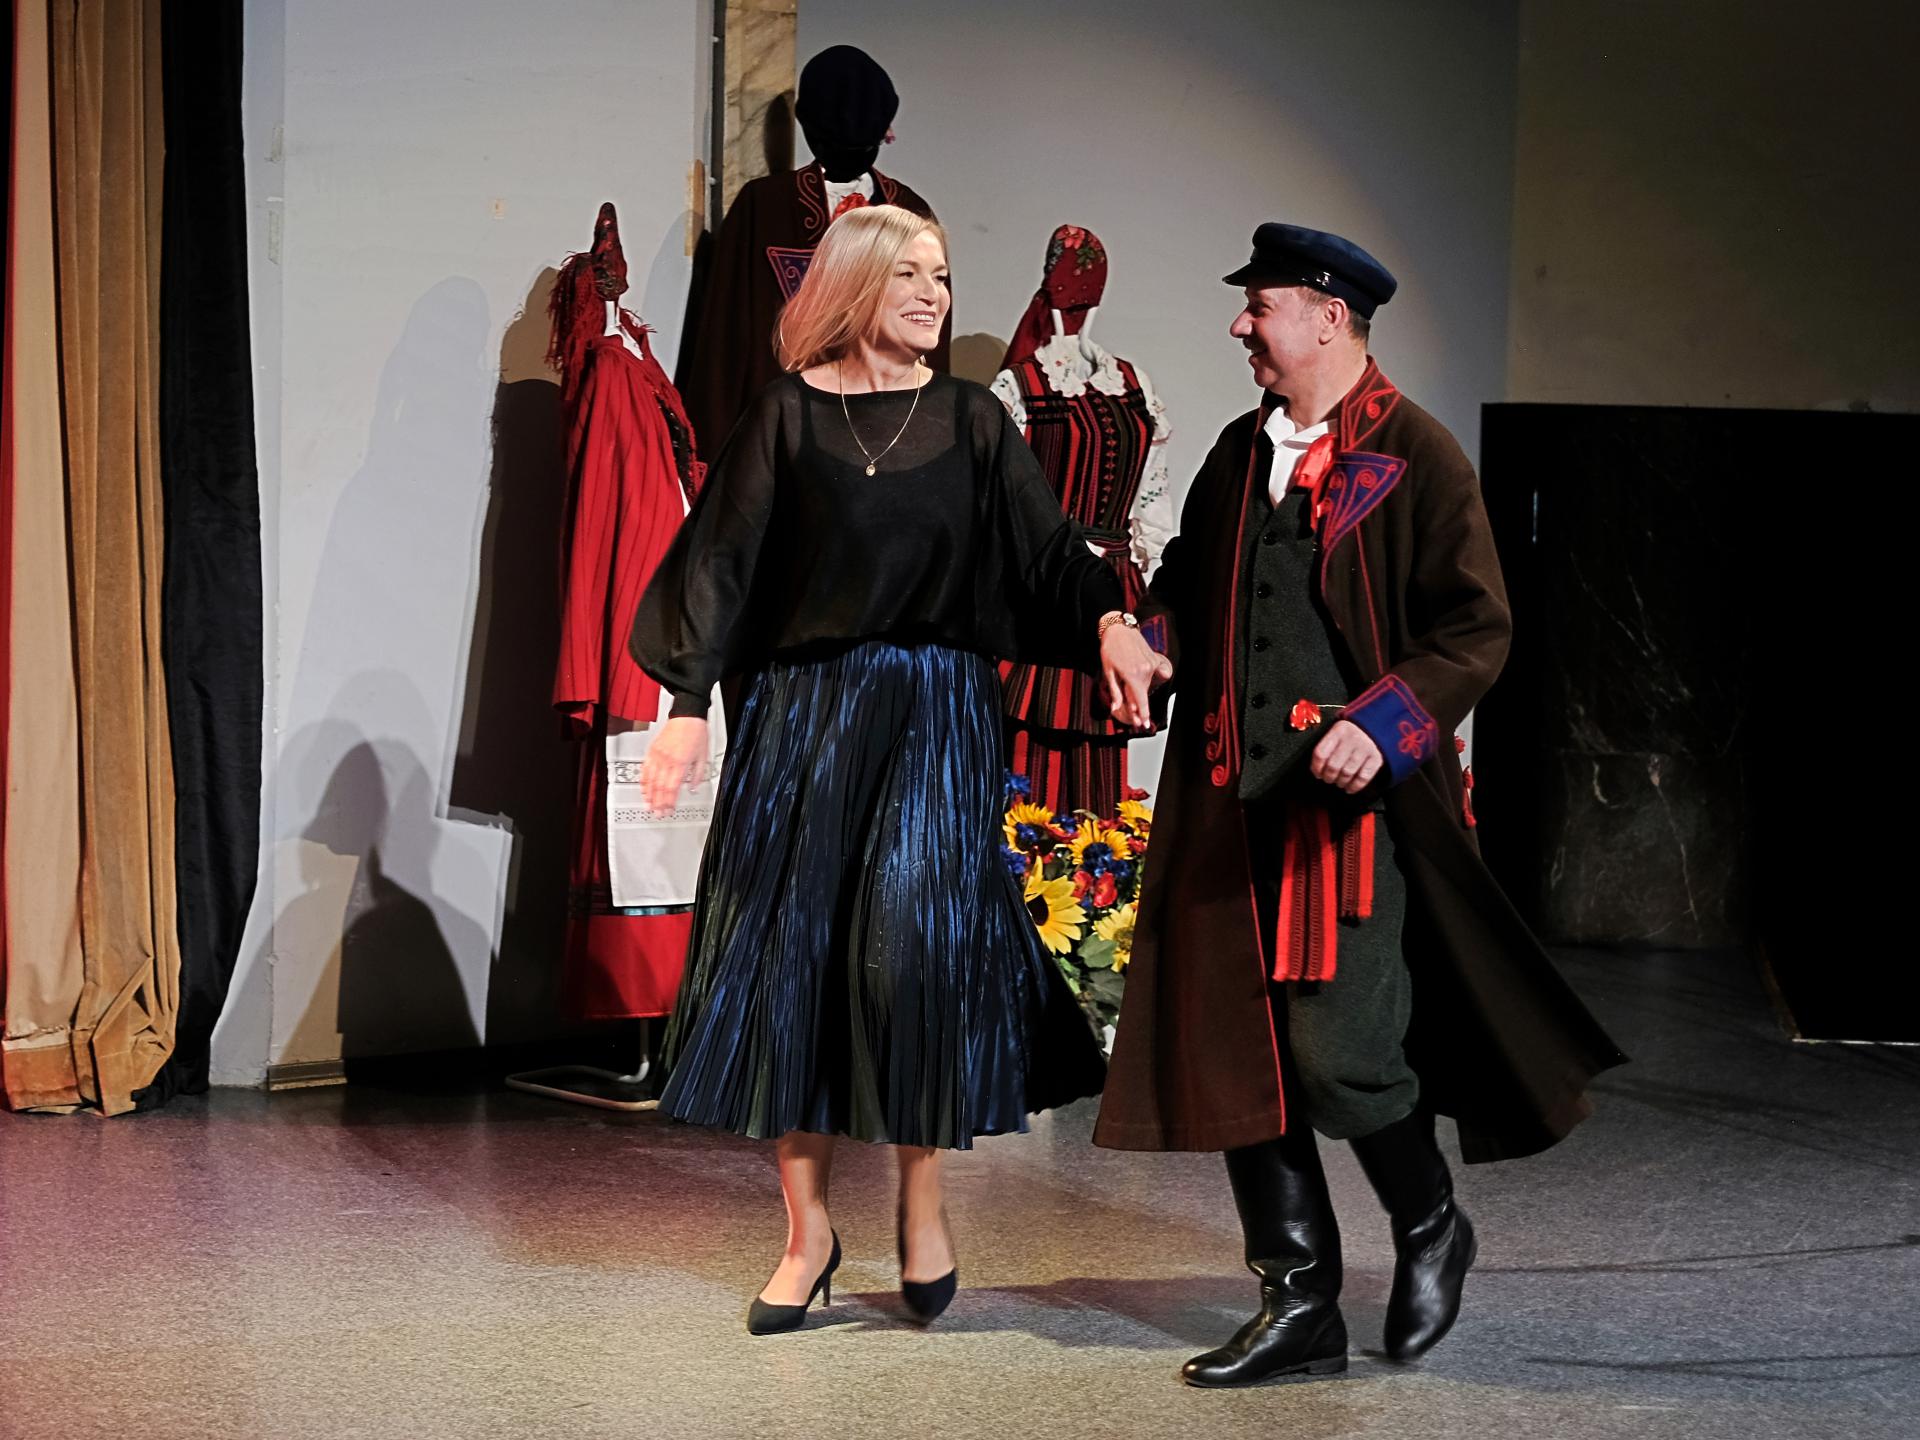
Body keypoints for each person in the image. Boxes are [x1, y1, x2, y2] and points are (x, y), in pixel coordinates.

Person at [1093, 223, 1626, 1386]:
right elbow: (1189, 584)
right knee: (1238, 1058)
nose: (1241, 325)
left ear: (1329, 316)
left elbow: (1476, 628)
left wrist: (1381, 725)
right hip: (1229, 804)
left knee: (1342, 1056)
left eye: (1261, 306)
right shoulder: (1241, 451)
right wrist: (1144, 636)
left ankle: (1431, 1222)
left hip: (1353, 825)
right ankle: (1299, 1304)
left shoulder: (1416, 453)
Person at [630, 204, 1167, 1335]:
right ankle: (808, 1232)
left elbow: (1049, 555)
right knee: (794, 964)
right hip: (804, 717)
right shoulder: (786, 415)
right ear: (855, 284)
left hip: (935, 712)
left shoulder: (973, 420)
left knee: (909, 953)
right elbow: (719, 564)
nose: (935, 294)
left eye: (944, 275)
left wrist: (1114, 623)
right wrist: (683, 709)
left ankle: (923, 1201)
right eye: (911, 274)